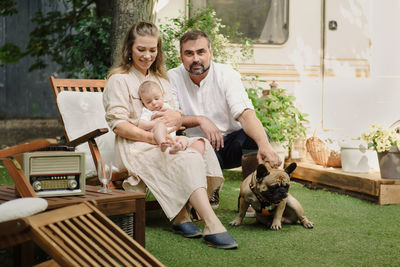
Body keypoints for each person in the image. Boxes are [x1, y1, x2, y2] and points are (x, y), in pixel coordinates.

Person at [103, 21, 238, 249]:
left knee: (200, 145)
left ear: (159, 50)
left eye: (152, 50)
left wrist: (171, 130)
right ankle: (211, 223)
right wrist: (152, 138)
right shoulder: (119, 80)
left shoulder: (161, 80)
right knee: (188, 157)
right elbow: (118, 125)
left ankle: (181, 212)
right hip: (134, 144)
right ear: (129, 49)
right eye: (141, 49)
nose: (147, 56)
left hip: (163, 138)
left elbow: (174, 115)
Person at [167, 30, 282, 212]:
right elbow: (171, 118)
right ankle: (212, 188)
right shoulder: (172, 77)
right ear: (181, 56)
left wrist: (264, 144)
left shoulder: (227, 74)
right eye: (189, 53)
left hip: (231, 144)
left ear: (210, 53)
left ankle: (249, 197)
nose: (195, 58)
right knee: (200, 146)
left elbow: (245, 114)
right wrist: (199, 120)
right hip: (199, 146)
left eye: (201, 52)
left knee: (256, 138)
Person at [138, 80, 188, 154]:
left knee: (184, 138)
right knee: (160, 125)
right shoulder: (147, 111)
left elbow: (177, 114)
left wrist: (178, 113)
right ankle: (162, 143)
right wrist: (155, 123)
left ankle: (177, 146)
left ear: (163, 96)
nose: (154, 103)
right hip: (157, 136)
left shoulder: (166, 106)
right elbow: (140, 125)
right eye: (148, 102)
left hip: (172, 136)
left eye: (156, 98)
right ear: (143, 103)